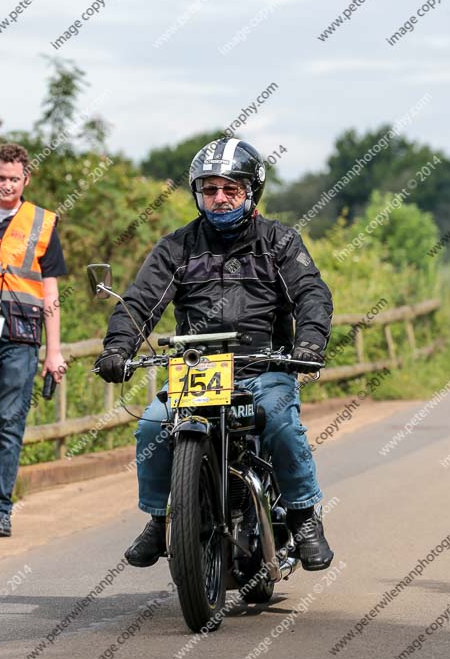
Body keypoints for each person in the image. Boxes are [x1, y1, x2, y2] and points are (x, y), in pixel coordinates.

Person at [95, 137, 334, 571]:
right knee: (152, 425)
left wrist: (310, 343)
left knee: (279, 419)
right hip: (199, 369)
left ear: (252, 192)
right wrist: (117, 347)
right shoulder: (177, 247)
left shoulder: (280, 242)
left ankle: (303, 517)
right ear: (197, 194)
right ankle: (160, 518)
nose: (219, 198)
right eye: (209, 190)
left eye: (231, 189)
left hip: (264, 367)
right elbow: (141, 302)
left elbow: (312, 294)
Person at [0, 143, 67, 537]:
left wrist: (53, 352)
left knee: (8, 424)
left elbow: (50, 292)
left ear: (26, 179)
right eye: (1, 177)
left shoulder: (43, 223)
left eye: (14, 179)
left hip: (21, 340)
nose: (7, 185)